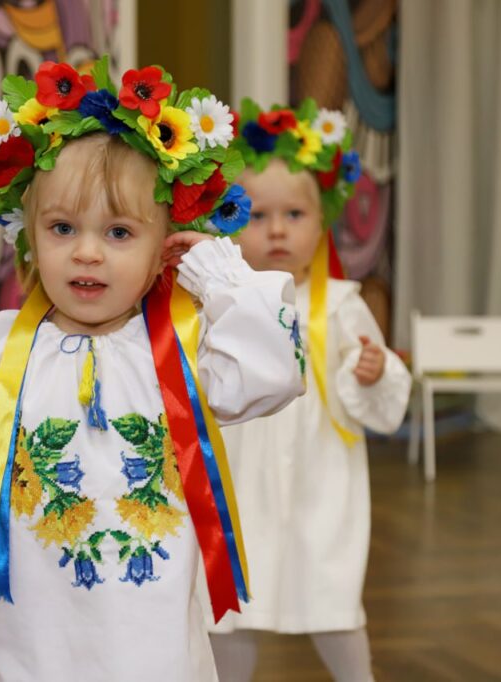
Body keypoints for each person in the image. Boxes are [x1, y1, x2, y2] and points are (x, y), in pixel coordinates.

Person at [0, 58, 305, 681]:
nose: (86, 251)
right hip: (29, 651)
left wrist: (217, 275)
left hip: (153, 652)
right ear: (31, 237)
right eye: (63, 227)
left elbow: (275, 370)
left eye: (118, 232)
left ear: (163, 248)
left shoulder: (186, 343)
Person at [206, 99, 411, 682]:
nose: (277, 230)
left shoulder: (343, 305)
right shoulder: (217, 304)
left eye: (294, 214)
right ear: (229, 219)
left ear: (321, 224)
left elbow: (383, 397)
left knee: (329, 589)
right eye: (257, 215)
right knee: (235, 601)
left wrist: (371, 371)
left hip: (320, 479)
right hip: (242, 474)